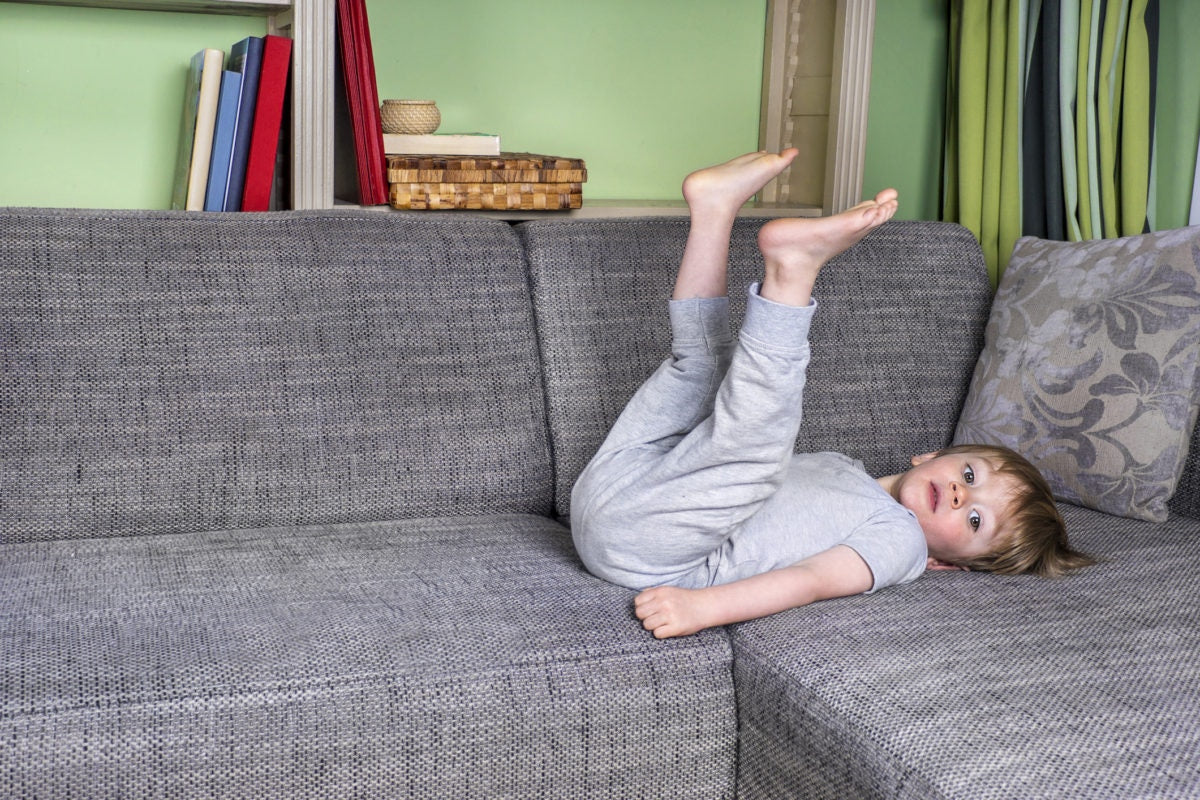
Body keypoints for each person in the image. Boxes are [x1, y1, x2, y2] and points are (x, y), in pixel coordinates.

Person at [570, 149, 1093, 639]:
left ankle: (793, 270)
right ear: (931, 456)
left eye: (975, 520)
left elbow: (811, 580)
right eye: (970, 475)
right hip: (615, 482)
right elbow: (720, 460)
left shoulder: (901, 543)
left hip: (647, 551)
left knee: (756, 444)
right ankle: (713, 209)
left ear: (946, 564)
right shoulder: (843, 466)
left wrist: (703, 608)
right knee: (703, 369)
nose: (961, 495)